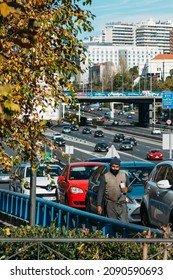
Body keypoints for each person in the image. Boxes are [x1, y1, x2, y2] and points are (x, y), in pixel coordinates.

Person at [96, 156, 131, 222]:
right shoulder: (105, 176)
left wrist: (127, 189)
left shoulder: (124, 175)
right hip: (110, 204)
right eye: (113, 167)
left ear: (119, 167)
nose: (115, 168)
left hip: (122, 204)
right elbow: (101, 192)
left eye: (117, 167)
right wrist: (99, 205)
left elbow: (130, 188)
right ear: (110, 166)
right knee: (112, 223)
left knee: (124, 224)